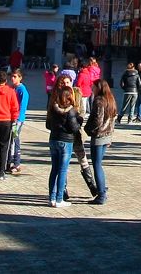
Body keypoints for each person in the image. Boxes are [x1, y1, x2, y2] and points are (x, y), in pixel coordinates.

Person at [46, 76, 81, 206]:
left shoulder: (53, 108)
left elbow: (48, 125)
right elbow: (74, 128)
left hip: (53, 139)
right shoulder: (70, 111)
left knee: (54, 168)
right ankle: (59, 198)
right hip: (66, 141)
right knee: (62, 170)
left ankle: (52, 197)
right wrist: (79, 122)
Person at [84, 78, 117, 204]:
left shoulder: (99, 101)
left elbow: (97, 119)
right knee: (99, 163)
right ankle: (102, 189)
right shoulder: (111, 99)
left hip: (99, 135)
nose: (92, 89)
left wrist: (88, 129)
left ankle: (101, 194)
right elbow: (113, 119)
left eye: (94, 87)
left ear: (99, 87)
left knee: (97, 164)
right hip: (107, 134)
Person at [8, 68, 30, 174]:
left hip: (18, 120)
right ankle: (10, 161)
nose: (12, 78)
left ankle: (16, 163)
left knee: (15, 138)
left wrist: (17, 118)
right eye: (11, 76)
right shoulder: (12, 88)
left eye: (15, 76)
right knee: (11, 138)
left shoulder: (22, 90)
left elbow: (22, 106)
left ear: (20, 78)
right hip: (11, 117)